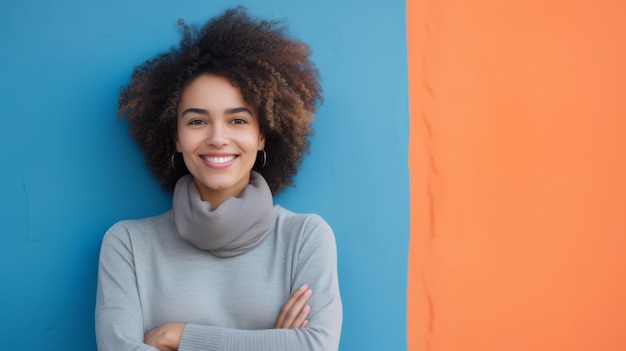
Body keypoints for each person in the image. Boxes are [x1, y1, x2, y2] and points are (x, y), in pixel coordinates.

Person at [95, 6, 342, 351]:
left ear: (262, 136)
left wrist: (178, 336)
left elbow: (315, 346)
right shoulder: (128, 245)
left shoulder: (303, 238)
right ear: (177, 139)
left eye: (238, 121)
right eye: (197, 121)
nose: (217, 138)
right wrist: (271, 343)